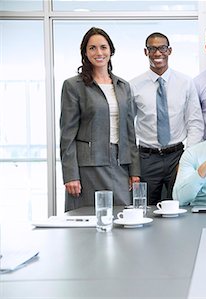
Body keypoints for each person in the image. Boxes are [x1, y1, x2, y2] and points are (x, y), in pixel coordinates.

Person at [60, 27, 140, 211]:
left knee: (123, 217)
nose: (99, 53)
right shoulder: (73, 86)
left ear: (111, 51)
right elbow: (67, 135)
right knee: (88, 220)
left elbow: (130, 131)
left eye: (103, 47)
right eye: (92, 48)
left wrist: (134, 170)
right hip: (88, 167)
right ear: (85, 53)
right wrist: (70, 174)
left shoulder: (123, 86)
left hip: (120, 164)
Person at [130, 32, 203, 205]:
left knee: (179, 206)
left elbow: (195, 123)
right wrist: (133, 165)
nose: (157, 53)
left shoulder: (185, 82)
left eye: (162, 48)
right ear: (145, 52)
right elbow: (128, 127)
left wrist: (187, 158)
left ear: (169, 50)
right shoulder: (133, 85)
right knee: (144, 208)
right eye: (152, 49)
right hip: (146, 159)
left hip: (177, 156)